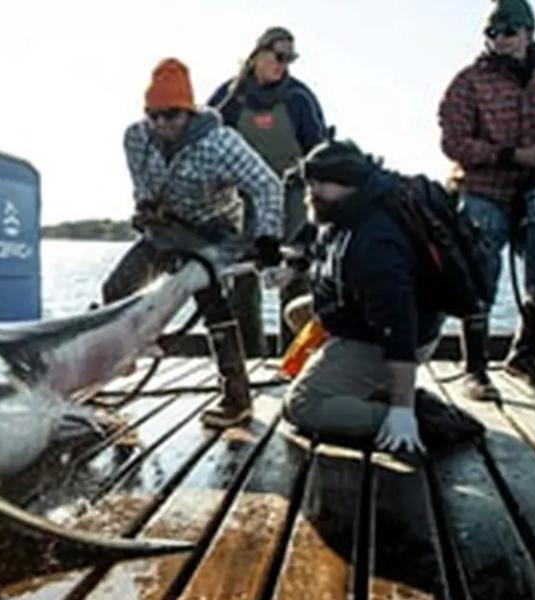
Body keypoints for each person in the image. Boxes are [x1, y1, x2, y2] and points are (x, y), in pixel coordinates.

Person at [102, 57, 284, 429]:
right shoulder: (135, 138)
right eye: (154, 116)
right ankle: (118, 361)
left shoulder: (220, 143)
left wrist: (267, 237)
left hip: (211, 229)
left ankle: (236, 397)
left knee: (212, 302)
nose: (162, 124)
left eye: (171, 115)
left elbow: (267, 185)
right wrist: (145, 207)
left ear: (188, 112)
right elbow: (142, 186)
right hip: (165, 226)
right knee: (116, 287)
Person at [281, 139, 482, 452]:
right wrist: (294, 266)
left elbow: (399, 327)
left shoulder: (376, 243)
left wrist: (401, 411)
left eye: (320, 183)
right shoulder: (344, 207)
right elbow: (322, 248)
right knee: (296, 313)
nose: (312, 191)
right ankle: (369, 387)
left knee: (303, 405)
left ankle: (414, 415)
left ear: (349, 184)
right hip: (355, 312)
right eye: (310, 182)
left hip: (390, 334)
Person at [438, 0, 535, 399]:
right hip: (483, 189)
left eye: (508, 31)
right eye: (492, 33)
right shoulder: (467, 81)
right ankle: (475, 369)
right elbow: (453, 142)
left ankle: (524, 355)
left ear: (528, 33)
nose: (499, 39)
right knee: (481, 271)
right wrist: (510, 155)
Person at [208, 26, 328, 356]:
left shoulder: (299, 98)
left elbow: (318, 152)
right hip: (243, 194)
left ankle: (296, 357)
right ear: (259, 54)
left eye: (291, 58)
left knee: (293, 272)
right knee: (243, 275)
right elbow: (205, 141)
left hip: (292, 190)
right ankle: (250, 355)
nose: (284, 64)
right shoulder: (230, 97)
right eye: (279, 56)